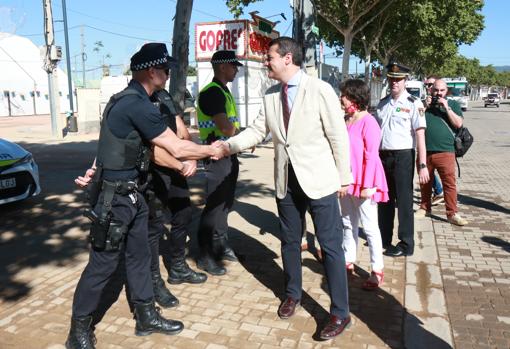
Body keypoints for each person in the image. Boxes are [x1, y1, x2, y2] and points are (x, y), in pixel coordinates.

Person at [66, 43, 223, 349]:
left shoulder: (130, 101)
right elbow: (176, 147)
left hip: (135, 194)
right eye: (166, 70)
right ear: (152, 71)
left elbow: (115, 144)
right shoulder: (134, 104)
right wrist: (212, 149)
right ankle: (79, 331)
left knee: (139, 258)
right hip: (116, 201)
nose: (168, 75)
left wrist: (94, 169)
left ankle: (146, 315)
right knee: (102, 265)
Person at [222, 37, 353, 340]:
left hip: (319, 181)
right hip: (286, 180)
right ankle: (292, 294)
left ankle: (339, 313)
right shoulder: (270, 95)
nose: (265, 62)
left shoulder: (319, 89)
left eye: (269, 57)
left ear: (287, 59)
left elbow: (338, 137)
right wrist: (227, 146)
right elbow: (257, 131)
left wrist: (344, 178)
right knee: (290, 242)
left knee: (330, 247)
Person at [195, 50, 242, 276]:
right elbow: (225, 127)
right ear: (223, 67)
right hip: (216, 157)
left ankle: (221, 246)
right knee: (214, 208)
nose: (236, 69)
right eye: (233, 66)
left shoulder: (223, 91)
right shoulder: (212, 93)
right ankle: (205, 256)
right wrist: (239, 134)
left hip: (228, 156)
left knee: (224, 205)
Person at [338, 79, 389, 290]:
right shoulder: (345, 120)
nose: (341, 98)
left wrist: (367, 185)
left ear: (355, 98)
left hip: (365, 182)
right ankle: (348, 260)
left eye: (345, 95)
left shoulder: (369, 122)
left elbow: (371, 156)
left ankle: (377, 270)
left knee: (369, 228)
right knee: (348, 223)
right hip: (348, 181)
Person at [375, 62, 429, 258]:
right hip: (383, 156)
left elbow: (420, 135)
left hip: (403, 156)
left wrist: (422, 165)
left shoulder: (414, 104)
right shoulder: (382, 104)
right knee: (384, 199)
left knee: (404, 201)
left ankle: (406, 243)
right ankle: (383, 238)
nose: (394, 82)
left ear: (406, 80)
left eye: (398, 79)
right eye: (391, 79)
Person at [415, 79, 468, 226]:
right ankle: (425, 208)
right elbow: (413, 120)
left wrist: (447, 108)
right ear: (431, 90)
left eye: (441, 90)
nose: (438, 93)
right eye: (436, 90)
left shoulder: (453, 104)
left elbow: (458, 123)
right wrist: (425, 106)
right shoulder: (422, 104)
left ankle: (452, 213)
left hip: (446, 151)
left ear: (446, 91)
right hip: (424, 151)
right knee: (425, 182)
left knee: (449, 184)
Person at [424, 75, 444, 206]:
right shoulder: (421, 102)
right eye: (427, 85)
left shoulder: (446, 103)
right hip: (424, 146)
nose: (429, 88)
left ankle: (439, 192)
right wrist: (425, 106)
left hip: (442, 148)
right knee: (426, 172)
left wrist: (445, 106)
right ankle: (427, 201)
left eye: (432, 85)